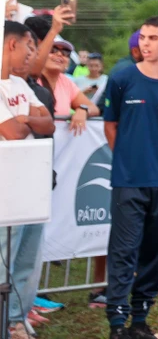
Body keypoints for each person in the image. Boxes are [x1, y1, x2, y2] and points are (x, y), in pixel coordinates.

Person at [101, 17, 158, 339]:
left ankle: (140, 319)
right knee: (124, 251)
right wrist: (128, 157)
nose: (146, 43)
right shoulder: (122, 76)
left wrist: (154, 153)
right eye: (143, 37)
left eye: (153, 37)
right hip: (128, 180)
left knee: (155, 253)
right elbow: (110, 124)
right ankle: (117, 322)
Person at [1, 21, 54, 339]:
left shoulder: (20, 85)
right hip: (6, 187)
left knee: (27, 257)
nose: (31, 55)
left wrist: (25, 119)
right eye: (28, 47)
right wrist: (26, 121)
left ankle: (16, 320)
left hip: (30, 185)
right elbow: (13, 133)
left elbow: (48, 124)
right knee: (4, 255)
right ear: (11, 45)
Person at [42, 36, 100, 132]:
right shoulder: (31, 79)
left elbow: (93, 108)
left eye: (66, 53)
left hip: (60, 143)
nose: (59, 54)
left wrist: (83, 110)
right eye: (53, 50)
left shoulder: (66, 82)